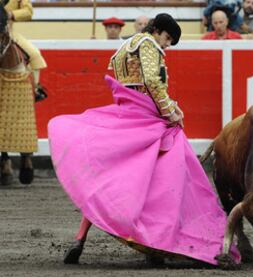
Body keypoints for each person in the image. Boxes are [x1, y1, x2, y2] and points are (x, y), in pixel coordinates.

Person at [49, 13, 239, 266]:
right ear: (157, 30)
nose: (167, 45)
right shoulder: (149, 44)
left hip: (124, 114)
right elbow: (151, 81)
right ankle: (156, 243)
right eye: (168, 38)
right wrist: (171, 112)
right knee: (169, 173)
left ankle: (79, 239)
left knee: (104, 181)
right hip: (146, 118)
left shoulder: (125, 46)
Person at [1, 0, 47, 186]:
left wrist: (12, 15)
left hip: (8, 32)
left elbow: (28, 11)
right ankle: (4, 160)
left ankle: (35, 89)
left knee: (34, 55)